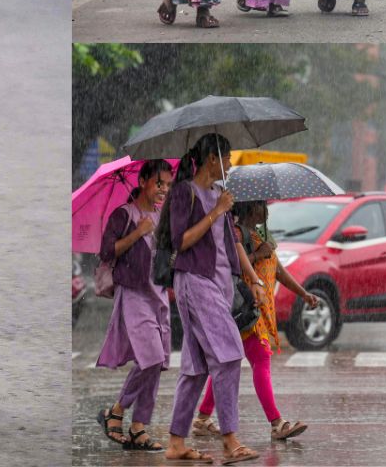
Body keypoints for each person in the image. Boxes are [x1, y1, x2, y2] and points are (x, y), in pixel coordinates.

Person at [156, 134, 264, 464]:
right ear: (212, 159)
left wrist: (254, 280)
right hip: (196, 285)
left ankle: (176, 442)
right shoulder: (184, 192)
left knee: (196, 367)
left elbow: (231, 247)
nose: (230, 164)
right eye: (227, 157)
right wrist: (216, 212)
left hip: (218, 288)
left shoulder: (219, 194)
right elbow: (181, 241)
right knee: (229, 355)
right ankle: (230, 441)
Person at [192, 200, 319, 441]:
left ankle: (202, 418)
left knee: (226, 363)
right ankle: (276, 423)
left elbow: (278, 271)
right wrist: (256, 254)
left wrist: (304, 294)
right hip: (247, 307)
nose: (266, 209)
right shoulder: (237, 233)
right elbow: (231, 266)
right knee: (260, 360)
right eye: (261, 205)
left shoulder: (263, 235)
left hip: (260, 309)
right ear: (249, 208)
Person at [95, 159, 175, 452]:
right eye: (158, 183)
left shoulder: (160, 217)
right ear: (142, 182)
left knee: (155, 364)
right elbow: (106, 251)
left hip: (158, 296)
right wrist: (137, 232)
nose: (163, 190)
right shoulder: (123, 215)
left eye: (167, 184)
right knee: (151, 358)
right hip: (133, 294)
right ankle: (116, 411)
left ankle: (139, 427)